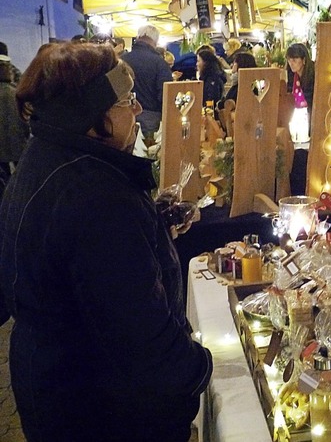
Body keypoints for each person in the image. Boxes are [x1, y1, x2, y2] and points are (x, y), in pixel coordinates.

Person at [0, 41, 212, 441]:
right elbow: (140, 336)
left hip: (55, 393)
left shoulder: (45, 159)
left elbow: (84, 272)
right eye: (126, 100)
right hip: (105, 413)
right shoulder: (95, 195)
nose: (136, 109)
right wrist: (200, 369)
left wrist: (152, 227)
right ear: (91, 115)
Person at [122, 24, 173, 137]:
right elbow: (165, 96)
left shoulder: (121, 60)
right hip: (150, 120)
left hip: (123, 116)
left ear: (138, 37)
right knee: (147, 151)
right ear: (155, 41)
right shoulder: (160, 63)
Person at [286, 42, 315, 195]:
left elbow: (312, 100)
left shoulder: (313, 77)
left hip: (310, 122)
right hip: (297, 123)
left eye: (295, 60)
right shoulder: (291, 76)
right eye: (289, 60)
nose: (291, 63)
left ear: (304, 60)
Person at [0, 61, 29, 176]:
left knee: (4, 177)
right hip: (18, 142)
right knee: (22, 174)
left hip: (1, 145)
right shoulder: (16, 92)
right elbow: (25, 118)